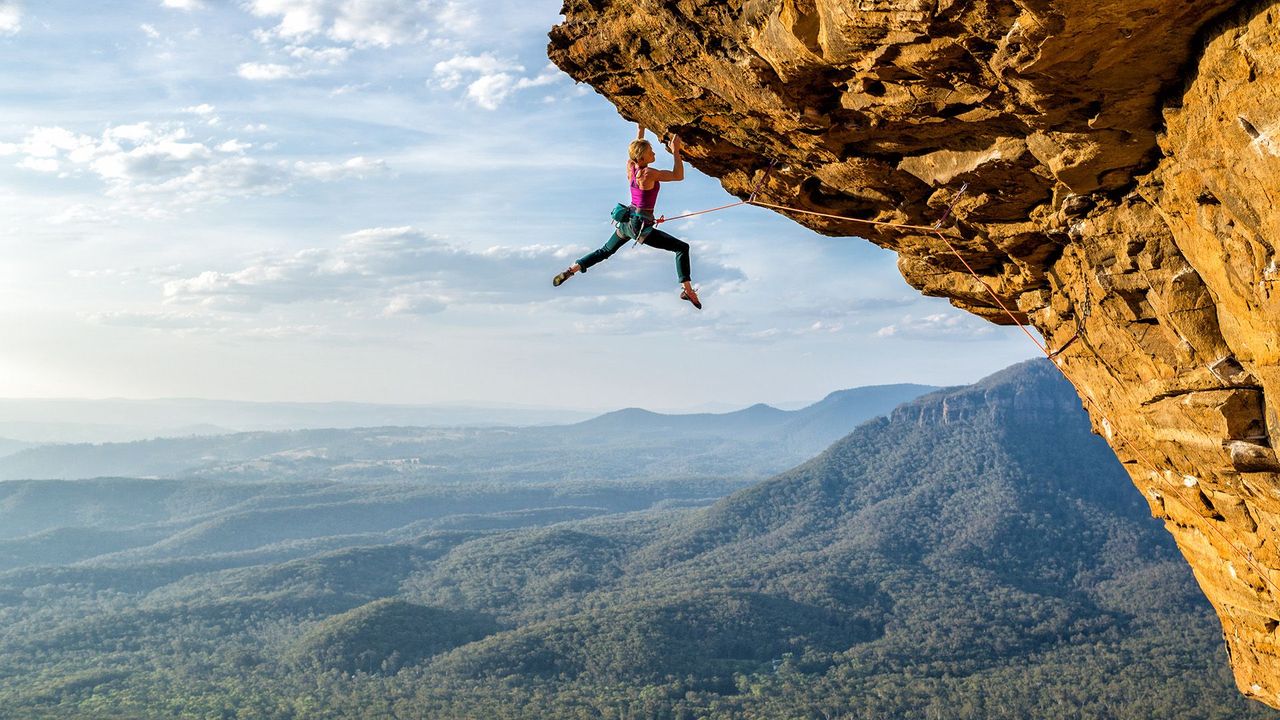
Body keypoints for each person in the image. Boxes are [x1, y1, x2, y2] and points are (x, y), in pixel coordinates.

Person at [552, 124, 701, 309]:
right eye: (651, 151)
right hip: (639, 225)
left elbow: (633, 152)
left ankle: (571, 269)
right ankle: (687, 289)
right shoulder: (648, 173)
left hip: (627, 221)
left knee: (604, 251)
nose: (654, 153)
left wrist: (641, 130)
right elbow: (678, 176)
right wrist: (676, 151)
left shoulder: (631, 168)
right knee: (682, 248)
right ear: (642, 157)